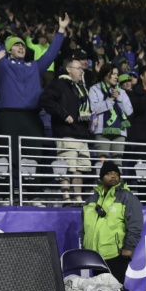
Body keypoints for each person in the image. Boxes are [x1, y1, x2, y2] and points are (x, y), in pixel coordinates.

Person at [0, 3, 68, 176]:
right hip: (8, 116)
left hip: (32, 117)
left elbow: (51, 54)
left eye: (22, 45)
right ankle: (9, 195)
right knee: (8, 157)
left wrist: (60, 31)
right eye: (16, 45)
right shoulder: (3, 64)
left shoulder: (34, 66)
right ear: (8, 50)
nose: (21, 47)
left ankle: (31, 195)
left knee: (33, 157)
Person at [81, 160, 143, 289]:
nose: (113, 176)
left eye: (116, 173)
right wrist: (84, 247)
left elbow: (135, 224)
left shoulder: (127, 197)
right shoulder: (90, 200)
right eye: (109, 173)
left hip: (116, 255)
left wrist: (129, 247)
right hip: (95, 256)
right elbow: (84, 227)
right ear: (101, 177)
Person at [40, 57, 93, 204]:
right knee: (66, 167)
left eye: (82, 69)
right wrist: (63, 115)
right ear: (69, 69)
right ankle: (66, 197)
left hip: (82, 134)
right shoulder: (59, 84)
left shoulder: (81, 88)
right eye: (78, 68)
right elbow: (45, 100)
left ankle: (78, 197)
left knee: (80, 168)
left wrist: (90, 117)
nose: (82, 71)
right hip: (66, 133)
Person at [88, 63, 133, 165]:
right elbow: (94, 108)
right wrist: (111, 99)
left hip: (120, 131)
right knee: (102, 163)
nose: (117, 77)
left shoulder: (121, 91)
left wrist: (119, 97)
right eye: (113, 74)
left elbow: (129, 111)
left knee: (117, 163)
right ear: (105, 75)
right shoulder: (94, 89)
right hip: (101, 130)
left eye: (117, 74)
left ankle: (117, 181)